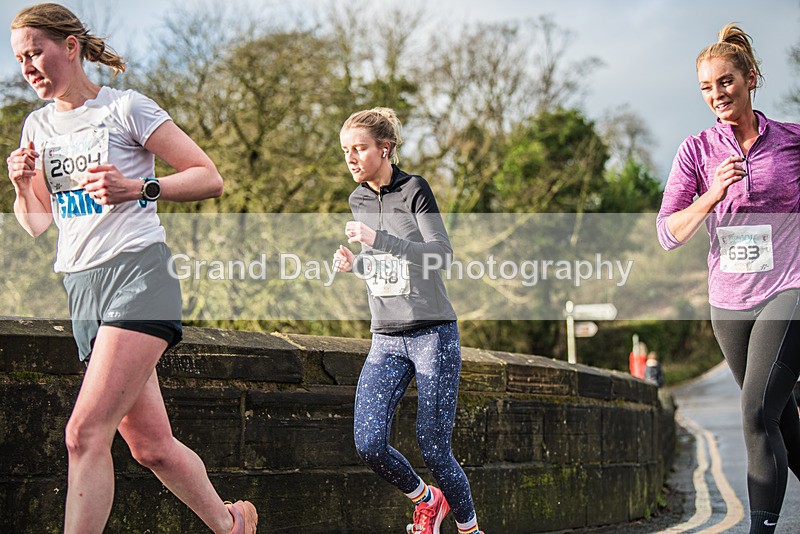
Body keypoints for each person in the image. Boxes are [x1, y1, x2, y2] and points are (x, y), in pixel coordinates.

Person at [6, 4, 257, 533]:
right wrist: (21, 182)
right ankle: (233, 525)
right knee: (151, 447)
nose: (28, 67)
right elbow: (36, 225)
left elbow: (208, 176)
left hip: (138, 276)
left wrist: (138, 188)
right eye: (20, 58)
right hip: (81, 288)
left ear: (70, 47)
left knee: (83, 433)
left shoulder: (125, 108)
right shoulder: (37, 125)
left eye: (36, 52)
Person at [657, 23, 800, 534]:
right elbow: (668, 232)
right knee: (780, 419)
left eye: (726, 82)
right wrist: (709, 196)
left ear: (751, 78)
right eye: (706, 87)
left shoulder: (791, 141)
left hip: (790, 288)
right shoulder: (696, 152)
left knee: (756, 410)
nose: (716, 94)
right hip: (731, 301)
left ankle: (760, 528)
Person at [333, 107, 483, 534]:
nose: (351, 158)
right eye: (345, 150)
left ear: (386, 148)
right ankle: (426, 499)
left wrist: (376, 239)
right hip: (385, 337)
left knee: (435, 448)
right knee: (369, 442)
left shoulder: (414, 189)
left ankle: (470, 528)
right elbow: (386, 267)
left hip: (432, 333)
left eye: (359, 148)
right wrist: (356, 264)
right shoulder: (357, 199)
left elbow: (440, 255)